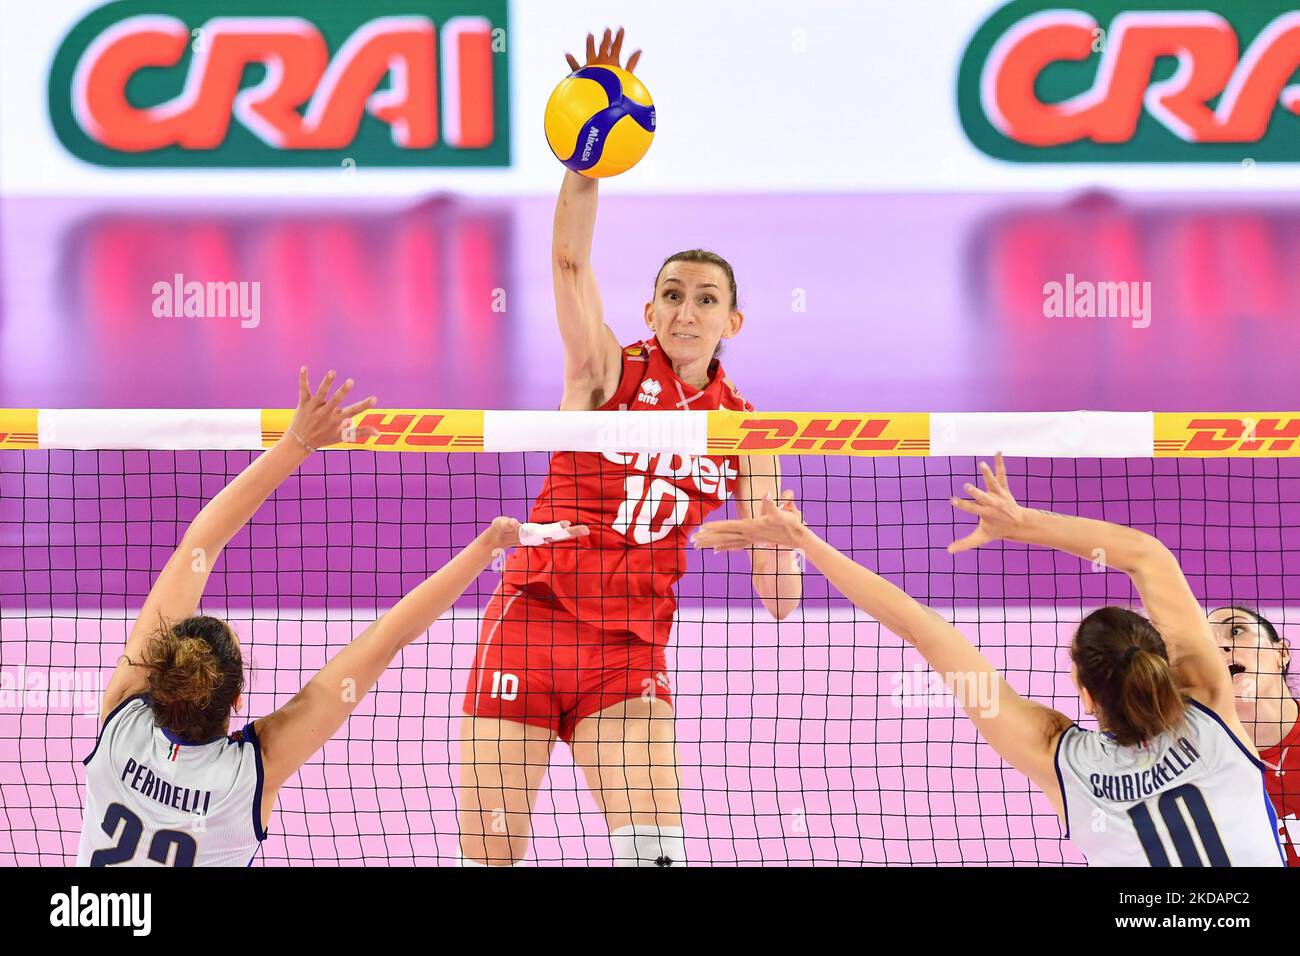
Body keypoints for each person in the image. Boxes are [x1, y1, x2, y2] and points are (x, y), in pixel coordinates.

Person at [457, 27, 803, 867]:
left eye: (706, 298)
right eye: (672, 296)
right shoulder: (604, 371)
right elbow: (571, 265)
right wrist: (586, 160)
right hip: (528, 630)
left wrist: (777, 546)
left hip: (629, 657)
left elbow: (783, 598)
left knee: (658, 858)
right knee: (488, 861)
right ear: (649, 312)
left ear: (733, 321)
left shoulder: (745, 431)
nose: (687, 311)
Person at [79, 369, 578, 865]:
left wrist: (296, 441)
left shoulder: (122, 719)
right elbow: (385, 639)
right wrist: (488, 547)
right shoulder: (251, 773)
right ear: (235, 698)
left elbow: (199, 544)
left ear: (158, 673)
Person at [694, 454, 1284, 866]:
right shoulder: (1207, 701)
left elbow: (921, 631)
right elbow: (1148, 558)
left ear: (1081, 690)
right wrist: (1024, 522)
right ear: (1160, 661)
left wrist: (805, 542)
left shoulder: (1059, 758)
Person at [1209, 606, 1299, 864]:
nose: (1221, 646)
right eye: (1207, 644)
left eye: (1236, 630)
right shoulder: (1198, 767)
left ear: (1281, 653)